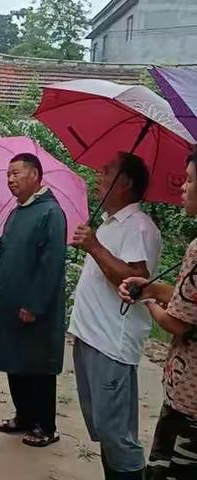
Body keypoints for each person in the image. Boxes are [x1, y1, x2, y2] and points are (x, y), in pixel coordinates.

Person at [69, 152, 162, 479]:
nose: (98, 174)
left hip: (112, 344)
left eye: (106, 170)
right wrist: (94, 241)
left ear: (126, 182)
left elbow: (136, 282)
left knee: (117, 435)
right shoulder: (110, 225)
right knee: (104, 430)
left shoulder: (140, 227)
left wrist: (94, 246)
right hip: (90, 337)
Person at [120, 150, 197, 480]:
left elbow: (177, 322)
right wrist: (152, 289)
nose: (183, 186)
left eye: (191, 180)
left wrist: (145, 302)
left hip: (189, 400)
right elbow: (188, 302)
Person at [0, 152, 67, 448]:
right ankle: (23, 416)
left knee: (38, 366)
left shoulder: (51, 214)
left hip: (36, 308)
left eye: (16, 173)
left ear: (35, 175)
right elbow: (15, 251)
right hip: (11, 306)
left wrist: (35, 305)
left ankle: (46, 425)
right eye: (8, 174)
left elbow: (51, 265)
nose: (10, 180)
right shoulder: (18, 211)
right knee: (15, 361)